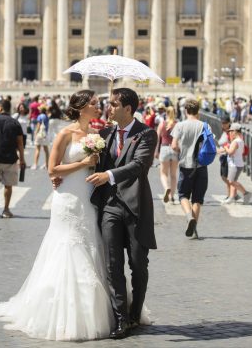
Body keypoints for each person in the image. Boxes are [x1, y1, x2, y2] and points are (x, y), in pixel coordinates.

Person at [0, 90, 113, 341]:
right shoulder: (65, 133)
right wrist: (84, 163)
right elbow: (52, 168)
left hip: (88, 196)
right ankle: (65, 312)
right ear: (82, 107)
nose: (99, 106)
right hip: (67, 198)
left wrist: (95, 162)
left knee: (89, 243)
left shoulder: (97, 134)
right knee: (67, 246)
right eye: (94, 103)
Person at [87, 87, 157, 338]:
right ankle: (121, 319)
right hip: (110, 205)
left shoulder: (147, 134)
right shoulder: (103, 133)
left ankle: (136, 313)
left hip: (136, 206)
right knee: (112, 265)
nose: (109, 108)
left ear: (128, 108)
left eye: (114, 104)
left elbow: (139, 165)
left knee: (138, 265)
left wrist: (109, 175)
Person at [171, 98, 211, 239]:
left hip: (186, 165)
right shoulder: (205, 126)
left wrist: (182, 150)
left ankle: (189, 217)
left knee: (183, 195)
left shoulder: (180, 126)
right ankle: (194, 230)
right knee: (197, 199)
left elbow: (174, 146)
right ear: (198, 111)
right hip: (201, 165)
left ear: (186, 111)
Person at [221, 123, 252, 205]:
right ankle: (232, 197)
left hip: (235, 164)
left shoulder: (235, 142)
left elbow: (230, 153)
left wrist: (226, 147)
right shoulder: (240, 140)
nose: (230, 133)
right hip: (237, 164)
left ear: (235, 131)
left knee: (231, 181)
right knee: (232, 181)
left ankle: (246, 193)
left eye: (231, 131)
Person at [155, 106, 178, 203]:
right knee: (173, 175)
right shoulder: (177, 124)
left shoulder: (162, 124)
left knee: (163, 173)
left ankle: (166, 188)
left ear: (166, 113)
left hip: (164, 148)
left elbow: (157, 139)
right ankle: (172, 196)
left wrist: (156, 151)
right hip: (175, 149)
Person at [216, 117, 231, 199]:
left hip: (227, 156)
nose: (223, 125)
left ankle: (230, 194)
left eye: (225, 123)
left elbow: (231, 144)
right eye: (222, 123)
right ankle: (232, 194)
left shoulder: (230, 132)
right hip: (223, 156)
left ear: (229, 123)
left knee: (226, 176)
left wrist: (222, 149)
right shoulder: (224, 132)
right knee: (223, 176)